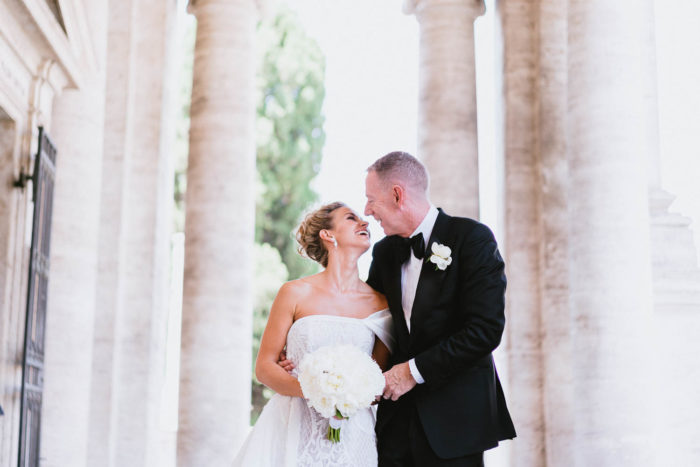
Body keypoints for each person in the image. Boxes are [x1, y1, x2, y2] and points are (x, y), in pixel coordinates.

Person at [364, 151, 516, 466]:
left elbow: (484, 330)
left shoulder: (472, 239)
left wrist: (411, 372)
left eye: (371, 199)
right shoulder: (384, 253)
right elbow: (369, 322)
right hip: (395, 423)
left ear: (397, 195)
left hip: (455, 422)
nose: (367, 211)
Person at [232, 202, 395, 467]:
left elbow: (378, 378)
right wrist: (319, 392)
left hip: (353, 433)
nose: (364, 223)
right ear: (328, 235)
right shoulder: (294, 293)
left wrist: (350, 394)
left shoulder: (381, 305)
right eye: (351, 218)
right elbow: (264, 368)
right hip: (293, 423)